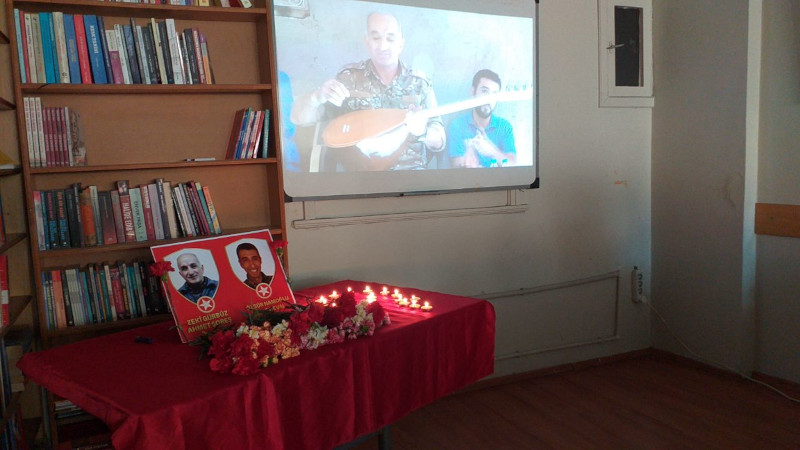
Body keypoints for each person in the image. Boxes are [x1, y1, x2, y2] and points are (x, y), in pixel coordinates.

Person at [291, 12, 445, 171]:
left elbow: (440, 141)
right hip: (362, 177)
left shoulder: (420, 82)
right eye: (376, 38)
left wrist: (422, 131)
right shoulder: (348, 78)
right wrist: (317, 96)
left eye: (390, 38)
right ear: (367, 42)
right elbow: (299, 118)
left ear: (401, 44)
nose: (383, 46)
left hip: (411, 176)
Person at [447, 69, 516, 168]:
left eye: (494, 94)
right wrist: (469, 152)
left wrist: (491, 150)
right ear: (473, 92)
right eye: (484, 91)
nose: (489, 98)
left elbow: (512, 164)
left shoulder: (505, 127)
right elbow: (456, 165)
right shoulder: (457, 125)